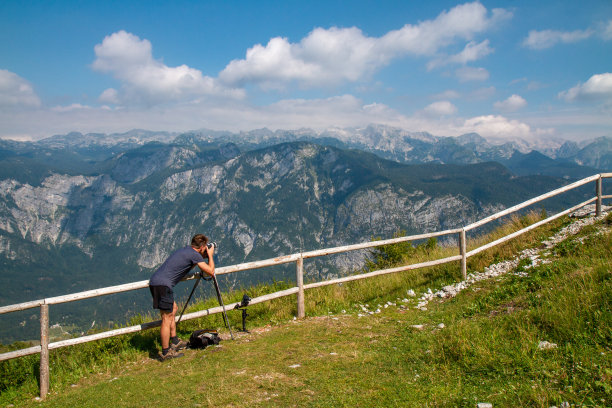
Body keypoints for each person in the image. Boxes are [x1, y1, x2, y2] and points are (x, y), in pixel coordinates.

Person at [149, 234, 215, 361]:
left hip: (157, 282)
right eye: (205, 247)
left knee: (173, 308)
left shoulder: (186, 250)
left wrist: (203, 256)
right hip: (163, 285)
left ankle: (174, 341)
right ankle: (166, 352)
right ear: (202, 247)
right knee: (166, 318)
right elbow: (210, 271)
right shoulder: (195, 255)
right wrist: (210, 255)